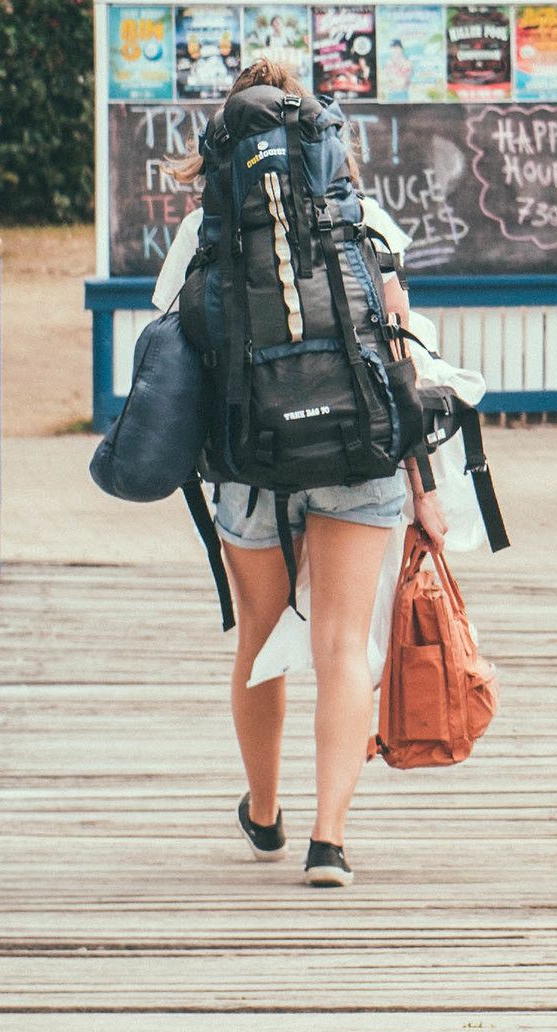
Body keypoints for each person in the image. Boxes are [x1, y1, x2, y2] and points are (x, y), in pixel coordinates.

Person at [148, 60, 448, 889]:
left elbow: (178, 349)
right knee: (343, 644)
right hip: (359, 451)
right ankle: (330, 838)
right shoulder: (365, 219)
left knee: (259, 640)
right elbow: (399, 356)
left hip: (251, 460)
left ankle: (267, 809)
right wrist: (426, 490)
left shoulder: (206, 227)